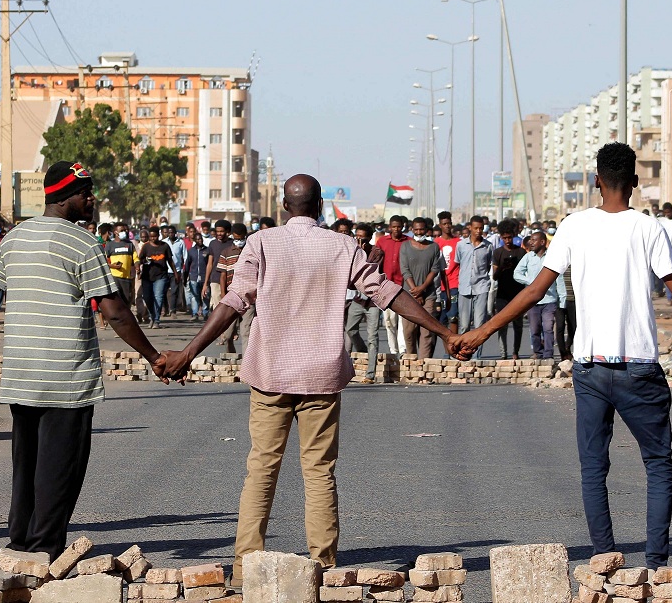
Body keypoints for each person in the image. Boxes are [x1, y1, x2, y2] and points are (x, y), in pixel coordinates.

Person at [456, 142, 672, 569]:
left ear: (597, 181)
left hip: (590, 368)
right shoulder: (649, 228)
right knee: (657, 466)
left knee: (593, 468)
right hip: (640, 368)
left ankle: (604, 560)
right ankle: (656, 566)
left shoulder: (574, 226)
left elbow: (534, 291)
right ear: (635, 184)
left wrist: (479, 333)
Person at [156, 174, 470, 585]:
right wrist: (445, 332)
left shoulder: (262, 243)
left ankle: (247, 563)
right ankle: (323, 566)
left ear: (285, 207)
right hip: (321, 375)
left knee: (262, 467)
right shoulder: (343, 246)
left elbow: (235, 301)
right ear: (320, 205)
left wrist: (188, 352)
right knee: (319, 471)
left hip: (271, 373)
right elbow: (386, 293)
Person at [0, 161, 168, 560]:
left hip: (23, 374)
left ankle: (20, 543)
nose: (92, 199)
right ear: (66, 197)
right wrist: (155, 357)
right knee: (60, 468)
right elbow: (114, 310)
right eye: (86, 192)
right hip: (66, 376)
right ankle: (45, 550)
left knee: (28, 464)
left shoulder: (16, 237)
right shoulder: (82, 243)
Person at [513, 232, 564, 360]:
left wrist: (562, 300)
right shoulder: (528, 257)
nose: (531, 242)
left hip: (549, 300)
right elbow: (517, 273)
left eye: (534, 240)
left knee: (548, 328)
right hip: (532, 301)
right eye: (530, 240)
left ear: (542, 242)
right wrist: (531, 282)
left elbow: (559, 279)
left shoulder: (552, 257)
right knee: (535, 329)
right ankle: (538, 352)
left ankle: (548, 355)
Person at [400, 217, 445, 358]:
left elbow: (434, 269)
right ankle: (411, 362)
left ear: (427, 230)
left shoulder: (434, 247)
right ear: (412, 230)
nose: (419, 232)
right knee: (409, 331)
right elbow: (405, 270)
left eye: (422, 229)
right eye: (416, 229)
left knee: (426, 332)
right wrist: (415, 292)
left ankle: (423, 365)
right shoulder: (405, 247)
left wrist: (423, 288)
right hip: (409, 295)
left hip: (429, 295)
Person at [345, 223, 382, 381]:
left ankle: (370, 373)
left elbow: (368, 270)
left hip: (373, 300)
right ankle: (363, 351)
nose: (359, 240)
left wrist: (361, 252)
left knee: (372, 336)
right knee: (350, 330)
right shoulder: (351, 251)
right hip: (358, 299)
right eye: (357, 237)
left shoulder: (377, 252)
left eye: (363, 238)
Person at [454, 216, 494, 355]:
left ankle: (477, 356)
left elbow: (488, 265)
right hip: (464, 287)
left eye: (481, 228)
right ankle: (462, 353)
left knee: (479, 326)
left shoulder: (488, 246)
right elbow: (458, 262)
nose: (478, 231)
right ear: (470, 228)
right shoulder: (461, 245)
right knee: (464, 325)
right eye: (476, 228)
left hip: (481, 287)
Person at [491, 219, 526, 360]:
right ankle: (503, 353)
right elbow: (494, 276)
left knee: (518, 325)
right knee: (502, 325)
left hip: (518, 294)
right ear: (500, 237)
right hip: (502, 294)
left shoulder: (521, 252)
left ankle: (515, 352)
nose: (507, 240)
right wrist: (502, 267)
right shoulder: (497, 253)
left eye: (509, 237)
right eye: (504, 238)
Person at [375, 216, 408, 355]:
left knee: (403, 319)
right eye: (393, 227)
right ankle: (393, 350)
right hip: (387, 286)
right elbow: (376, 262)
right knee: (389, 321)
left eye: (398, 227)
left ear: (402, 226)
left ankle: (402, 349)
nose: (396, 229)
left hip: (403, 285)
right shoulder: (382, 242)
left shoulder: (408, 242)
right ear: (390, 227)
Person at [218, 223, 253, 352]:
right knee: (227, 335)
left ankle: (246, 365)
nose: (239, 241)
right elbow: (223, 275)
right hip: (231, 296)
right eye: (236, 238)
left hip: (248, 297)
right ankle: (231, 356)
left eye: (241, 238)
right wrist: (223, 295)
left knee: (246, 332)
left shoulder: (251, 251)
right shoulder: (226, 252)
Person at [140, 226, 177, 329]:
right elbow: (140, 259)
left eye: (155, 236)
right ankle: (152, 315)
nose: (153, 238)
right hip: (147, 276)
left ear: (158, 235)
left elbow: (170, 261)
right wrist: (145, 261)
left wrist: (176, 274)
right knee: (147, 298)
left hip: (161, 276)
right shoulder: (146, 247)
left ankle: (156, 320)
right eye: (151, 237)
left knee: (158, 297)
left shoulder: (165, 246)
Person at [435, 211, 460, 335]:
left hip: (455, 283)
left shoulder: (459, 242)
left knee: (453, 317)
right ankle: (447, 349)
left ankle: (454, 348)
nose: (447, 226)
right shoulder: (435, 244)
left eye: (449, 223)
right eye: (444, 224)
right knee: (441, 319)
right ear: (440, 225)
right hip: (440, 286)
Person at [203, 220, 233, 315]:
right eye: (217, 231)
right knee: (217, 306)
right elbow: (210, 264)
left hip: (229, 280)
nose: (219, 234)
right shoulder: (213, 244)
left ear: (227, 231)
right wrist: (205, 283)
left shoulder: (232, 244)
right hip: (215, 279)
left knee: (229, 306)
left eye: (221, 231)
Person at [105, 225, 137, 308]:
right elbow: (104, 262)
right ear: (116, 232)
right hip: (114, 277)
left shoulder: (129, 244)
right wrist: (112, 265)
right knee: (116, 300)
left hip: (126, 278)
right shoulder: (109, 245)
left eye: (125, 230)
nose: (125, 232)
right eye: (122, 230)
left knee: (126, 300)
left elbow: (135, 258)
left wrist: (137, 266)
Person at [183, 231, 210, 322]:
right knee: (194, 296)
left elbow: (210, 264)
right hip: (194, 277)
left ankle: (205, 313)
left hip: (204, 277)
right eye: (198, 239)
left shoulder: (207, 250)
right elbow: (187, 265)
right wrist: (185, 276)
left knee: (205, 295)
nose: (200, 240)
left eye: (201, 239)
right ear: (195, 240)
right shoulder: (191, 251)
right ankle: (195, 313)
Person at [162, 225, 186, 316]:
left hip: (177, 271)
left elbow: (185, 256)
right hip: (165, 270)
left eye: (172, 232)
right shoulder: (164, 242)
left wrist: (183, 270)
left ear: (175, 233)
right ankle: (165, 308)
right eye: (169, 232)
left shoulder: (181, 242)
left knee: (174, 291)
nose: (171, 234)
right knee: (163, 291)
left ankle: (173, 310)